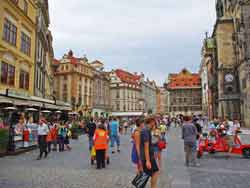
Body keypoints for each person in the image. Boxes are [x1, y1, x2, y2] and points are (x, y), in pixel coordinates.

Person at [140, 117, 159, 188]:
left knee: (147, 173)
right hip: (147, 157)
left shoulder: (146, 130)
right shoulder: (146, 130)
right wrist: (148, 160)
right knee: (153, 172)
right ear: (151, 121)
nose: (155, 123)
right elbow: (146, 146)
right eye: (155, 121)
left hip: (147, 156)